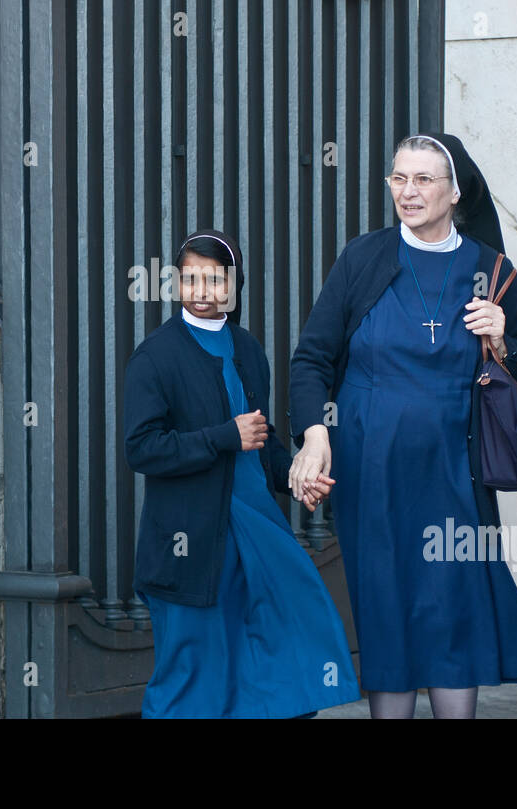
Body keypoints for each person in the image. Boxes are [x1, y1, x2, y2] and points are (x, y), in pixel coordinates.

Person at [288, 133, 517, 719]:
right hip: (372, 470)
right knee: (386, 607)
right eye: (399, 178)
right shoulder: (363, 258)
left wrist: (503, 338)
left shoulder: (494, 273)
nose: (408, 191)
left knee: (453, 607)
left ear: (456, 192)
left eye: (424, 179)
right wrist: (313, 431)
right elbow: (313, 358)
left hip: (456, 469)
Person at [123, 229, 361, 717]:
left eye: (214, 279)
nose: (202, 291)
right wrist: (221, 437)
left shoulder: (248, 349)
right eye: (190, 279)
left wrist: (297, 476)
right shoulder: (155, 356)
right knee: (192, 680)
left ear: (234, 285)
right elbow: (142, 449)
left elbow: (261, 442)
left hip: (257, 534)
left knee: (284, 653)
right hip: (191, 544)